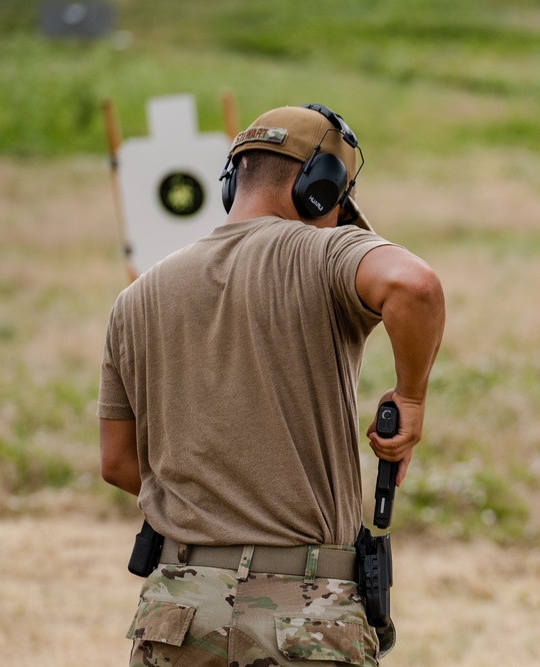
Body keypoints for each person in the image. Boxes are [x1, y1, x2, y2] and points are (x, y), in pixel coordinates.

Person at [97, 103, 445, 667]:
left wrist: (217, 504)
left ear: (232, 181)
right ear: (322, 190)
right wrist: (411, 398)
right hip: (303, 619)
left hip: (177, 614)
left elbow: (116, 462)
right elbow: (415, 285)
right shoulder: (325, 253)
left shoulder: (135, 298)